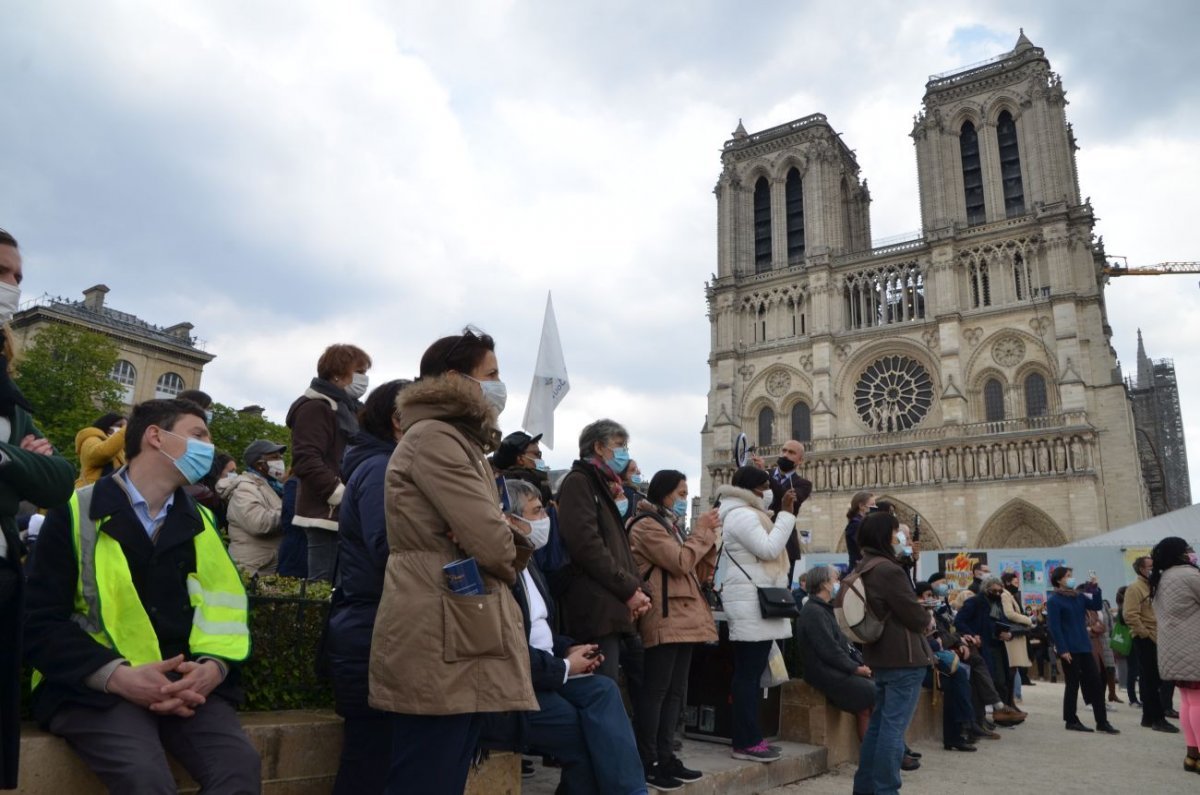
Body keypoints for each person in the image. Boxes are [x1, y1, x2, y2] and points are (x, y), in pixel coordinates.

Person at [23, 398, 260, 792]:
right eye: (198, 434)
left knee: (239, 769)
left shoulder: (201, 519)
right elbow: (39, 619)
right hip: (93, 688)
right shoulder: (76, 510)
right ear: (155, 437)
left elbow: (225, 611)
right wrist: (117, 677)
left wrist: (212, 669)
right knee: (145, 780)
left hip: (183, 685)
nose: (210, 448)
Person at [368, 327, 537, 795]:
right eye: (491, 374)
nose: (499, 385)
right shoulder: (437, 440)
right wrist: (505, 537)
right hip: (439, 628)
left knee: (443, 770)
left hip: (454, 626)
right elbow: (495, 542)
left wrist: (496, 532)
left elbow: (487, 532)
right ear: (453, 379)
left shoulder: (459, 443)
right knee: (428, 774)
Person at [502, 479, 647, 795]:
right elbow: (507, 650)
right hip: (517, 684)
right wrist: (566, 666)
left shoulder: (529, 565)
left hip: (546, 671)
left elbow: (542, 633)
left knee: (605, 691)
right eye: (538, 512)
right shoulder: (500, 571)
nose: (546, 519)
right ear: (510, 520)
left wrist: (571, 648)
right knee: (591, 734)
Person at [0, 227, 77, 791]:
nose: (10, 287)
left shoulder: (10, 397)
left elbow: (59, 480)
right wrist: (18, 459)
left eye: (17, 278)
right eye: (1, 274)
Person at [327, 379, 409, 794]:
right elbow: (393, 549)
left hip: (376, 630)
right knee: (370, 764)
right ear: (398, 421)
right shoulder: (383, 469)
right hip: (374, 634)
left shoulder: (384, 464)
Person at [628, 470, 719, 789]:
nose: (684, 500)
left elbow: (699, 571)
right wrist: (702, 532)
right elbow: (680, 562)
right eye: (681, 494)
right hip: (664, 616)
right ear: (664, 493)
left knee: (676, 693)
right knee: (656, 692)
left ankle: (666, 756)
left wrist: (708, 538)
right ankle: (648, 760)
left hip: (684, 616)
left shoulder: (672, 527)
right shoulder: (646, 527)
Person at [557, 419, 651, 682]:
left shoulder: (602, 485)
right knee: (601, 692)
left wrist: (639, 590)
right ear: (598, 447)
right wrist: (628, 589)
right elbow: (587, 545)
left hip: (611, 607)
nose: (625, 453)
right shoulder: (580, 482)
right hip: (595, 609)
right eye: (619, 445)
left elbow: (618, 549)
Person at [715, 465, 797, 763]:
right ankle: (745, 741)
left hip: (755, 603)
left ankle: (751, 737)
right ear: (752, 489)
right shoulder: (741, 515)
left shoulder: (747, 513)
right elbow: (768, 549)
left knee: (751, 674)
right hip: (750, 604)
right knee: (747, 676)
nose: (770, 492)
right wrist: (787, 513)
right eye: (765, 486)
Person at [849, 511, 934, 795]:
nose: (901, 537)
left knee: (878, 728)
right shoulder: (888, 570)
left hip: (881, 656)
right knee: (892, 731)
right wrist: (927, 618)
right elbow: (913, 614)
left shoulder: (865, 566)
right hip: (904, 657)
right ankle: (886, 789)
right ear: (886, 535)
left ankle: (865, 788)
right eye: (896, 532)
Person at [287, 343, 372, 581]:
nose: (364, 380)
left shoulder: (348, 409)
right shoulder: (315, 407)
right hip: (325, 511)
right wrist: (340, 493)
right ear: (337, 372)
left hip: (342, 510)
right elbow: (306, 459)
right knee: (322, 587)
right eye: (360, 372)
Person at [797, 565, 875, 741]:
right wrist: (856, 669)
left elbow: (844, 644)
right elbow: (829, 650)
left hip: (836, 670)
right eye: (835, 579)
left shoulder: (825, 609)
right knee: (876, 692)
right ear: (825, 584)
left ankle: (876, 755)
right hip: (825, 673)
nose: (838, 583)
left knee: (866, 704)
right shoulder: (813, 612)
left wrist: (862, 663)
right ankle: (888, 752)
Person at [1046, 565, 1118, 734]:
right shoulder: (1054, 600)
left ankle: (1102, 721)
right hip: (1069, 649)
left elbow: (1096, 603)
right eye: (1067, 576)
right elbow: (1054, 627)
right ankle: (1071, 719)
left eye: (1071, 575)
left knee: (1095, 683)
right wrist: (1062, 649)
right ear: (1058, 580)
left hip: (1084, 646)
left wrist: (1094, 587)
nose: (1071, 578)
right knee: (1072, 684)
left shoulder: (1078, 596)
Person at [1149, 537, 1200, 773]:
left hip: (1174, 650)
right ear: (1179, 553)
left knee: (1188, 702)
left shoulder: (1161, 579)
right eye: (1187, 549)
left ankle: (1192, 754)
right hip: (1194, 648)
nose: (1191, 552)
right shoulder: (1189, 576)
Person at [913, 580, 977, 752]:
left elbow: (946, 635)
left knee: (959, 677)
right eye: (927, 596)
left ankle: (961, 728)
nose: (931, 599)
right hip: (918, 667)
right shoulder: (915, 615)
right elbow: (924, 643)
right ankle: (963, 726)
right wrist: (936, 643)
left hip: (931, 663)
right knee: (955, 682)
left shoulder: (932, 614)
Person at [1124, 554, 1178, 732]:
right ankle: (1158, 718)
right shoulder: (1135, 588)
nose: (1155, 570)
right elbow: (1130, 614)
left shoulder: (1154, 586)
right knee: (1153, 680)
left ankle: (1148, 717)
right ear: (1142, 569)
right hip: (1146, 639)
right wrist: (1144, 633)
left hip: (1158, 637)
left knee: (1150, 680)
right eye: (1150, 566)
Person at [224, 440, 287, 576]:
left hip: (267, 565)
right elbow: (259, 524)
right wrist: (289, 509)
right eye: (275, 457)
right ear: (259, 465)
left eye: (281, 457)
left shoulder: (274, 487)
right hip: (252, 569)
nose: (280, 461)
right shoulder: (245, 489)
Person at [767, 440, 813, 571]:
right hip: (761, 538)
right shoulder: (764, 474)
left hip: (786, 545)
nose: (786, 455)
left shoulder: (803, 484)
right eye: (784, 450)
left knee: (783, 589)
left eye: (791, 452)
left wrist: (765, 477)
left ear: (800, 460)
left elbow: (789, 499)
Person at [999, 571, 1033, 703]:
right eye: (1015, 582)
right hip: (1011, 636)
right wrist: (1027, 620)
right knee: (1011, 670)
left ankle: (1013, 699)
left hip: (1016, 635)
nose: (1017, 585)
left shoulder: (1011, 595)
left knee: (1014, 670)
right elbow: (1009, 614)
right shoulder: (1005, 595)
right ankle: (1011, 700)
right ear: (1007, 582)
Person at [73, 412, 126, 487]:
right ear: (107, 425)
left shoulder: (119, 450)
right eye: (119, 425)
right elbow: (102, 453)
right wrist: (125, 431)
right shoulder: (90, 439)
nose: (121, 429)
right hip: (88, 493)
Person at [844, 491, 874, 569]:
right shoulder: (855, 525)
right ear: (861, 506)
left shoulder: (861, 523)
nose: (875, 507)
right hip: (859, 570)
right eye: (872, 505)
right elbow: (864, 548)